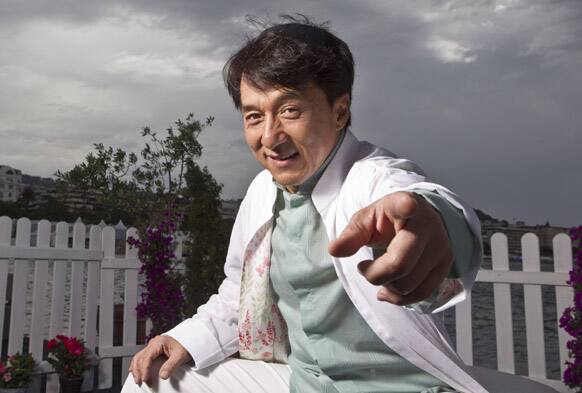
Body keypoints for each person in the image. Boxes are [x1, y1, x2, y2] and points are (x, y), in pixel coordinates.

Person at [122, 17, 557, 393]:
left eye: (289, 110)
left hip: (394, 389)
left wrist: (436, 227)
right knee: (152, 379)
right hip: (301, 381)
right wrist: (187, 337)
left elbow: (422, 202)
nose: (269, 137)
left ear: (340, 110)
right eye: (254, 116)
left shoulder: (370, 177)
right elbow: (237, 294)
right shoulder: (261, 192)